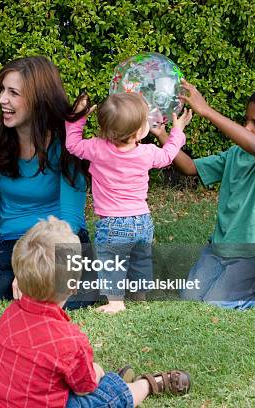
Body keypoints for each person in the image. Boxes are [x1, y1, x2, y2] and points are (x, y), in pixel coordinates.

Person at [0, 216, 191, 407]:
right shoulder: (68, 340)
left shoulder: (9, 315)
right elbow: (85, 387)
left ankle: (113, 381)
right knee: (105, 398)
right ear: (72, 286)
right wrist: (96, 371)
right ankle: (146, 384)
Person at [0, 56, 93, 306]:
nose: (2, 99)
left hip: (61, 238)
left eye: (13, 93)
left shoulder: (69, 142)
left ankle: (37, 287)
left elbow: (71, 217)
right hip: (17, 244)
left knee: (87, 289)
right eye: (2, 90)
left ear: (38, 98)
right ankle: (41, 287)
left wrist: (39, 269)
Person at [154, 80, 255, 310]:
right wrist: (162, 135)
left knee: (216, 303)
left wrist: (207, 111)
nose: (248, 128)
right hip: (220, 248)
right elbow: (190, 168)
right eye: (246, 121)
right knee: (189, 299)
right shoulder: (235, 153)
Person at [65, 93, 192, 313]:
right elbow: (169, 155)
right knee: (140, 260)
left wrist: (78, 118)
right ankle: (139, 296)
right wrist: (177, 131)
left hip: (113, 223)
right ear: (140, 131)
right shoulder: (148, 152)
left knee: (111, 260)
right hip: (143, 220)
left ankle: (115, 302)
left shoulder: (96, 148)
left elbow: (73, 145)